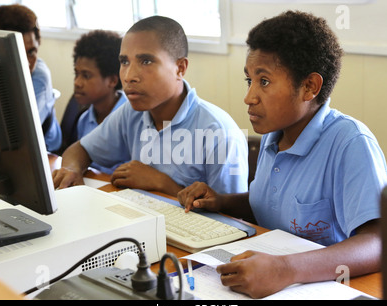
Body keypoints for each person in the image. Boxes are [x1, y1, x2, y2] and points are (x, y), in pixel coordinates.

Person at [177, 10, 387, 298]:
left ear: (309, 87)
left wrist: (285, 269)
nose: (249, 97)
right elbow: (274, 209)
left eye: (263, 81)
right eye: (248, 81)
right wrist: (222, 201)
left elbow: (378, 243)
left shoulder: (350, 143)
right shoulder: (274, 136)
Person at [52, 16, 248, 197]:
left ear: (180, 68)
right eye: (124, 62)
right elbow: (80, 150)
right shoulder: (131, 113)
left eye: (146, 61)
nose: (129, 76)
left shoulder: (218, 132)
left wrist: (161, 182)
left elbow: (231, 217)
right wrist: (71, 169)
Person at [0, 4, 62, 152]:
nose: (27, 63)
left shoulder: (39, 76)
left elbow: (22, 133)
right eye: (17, 53)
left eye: (31, 52)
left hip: (46, 153)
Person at [72, 29, 126, 173]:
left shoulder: (131, 118)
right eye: (76, 74)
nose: (77, 82)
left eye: (86, 76)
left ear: (113, 80)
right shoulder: (84, 120)